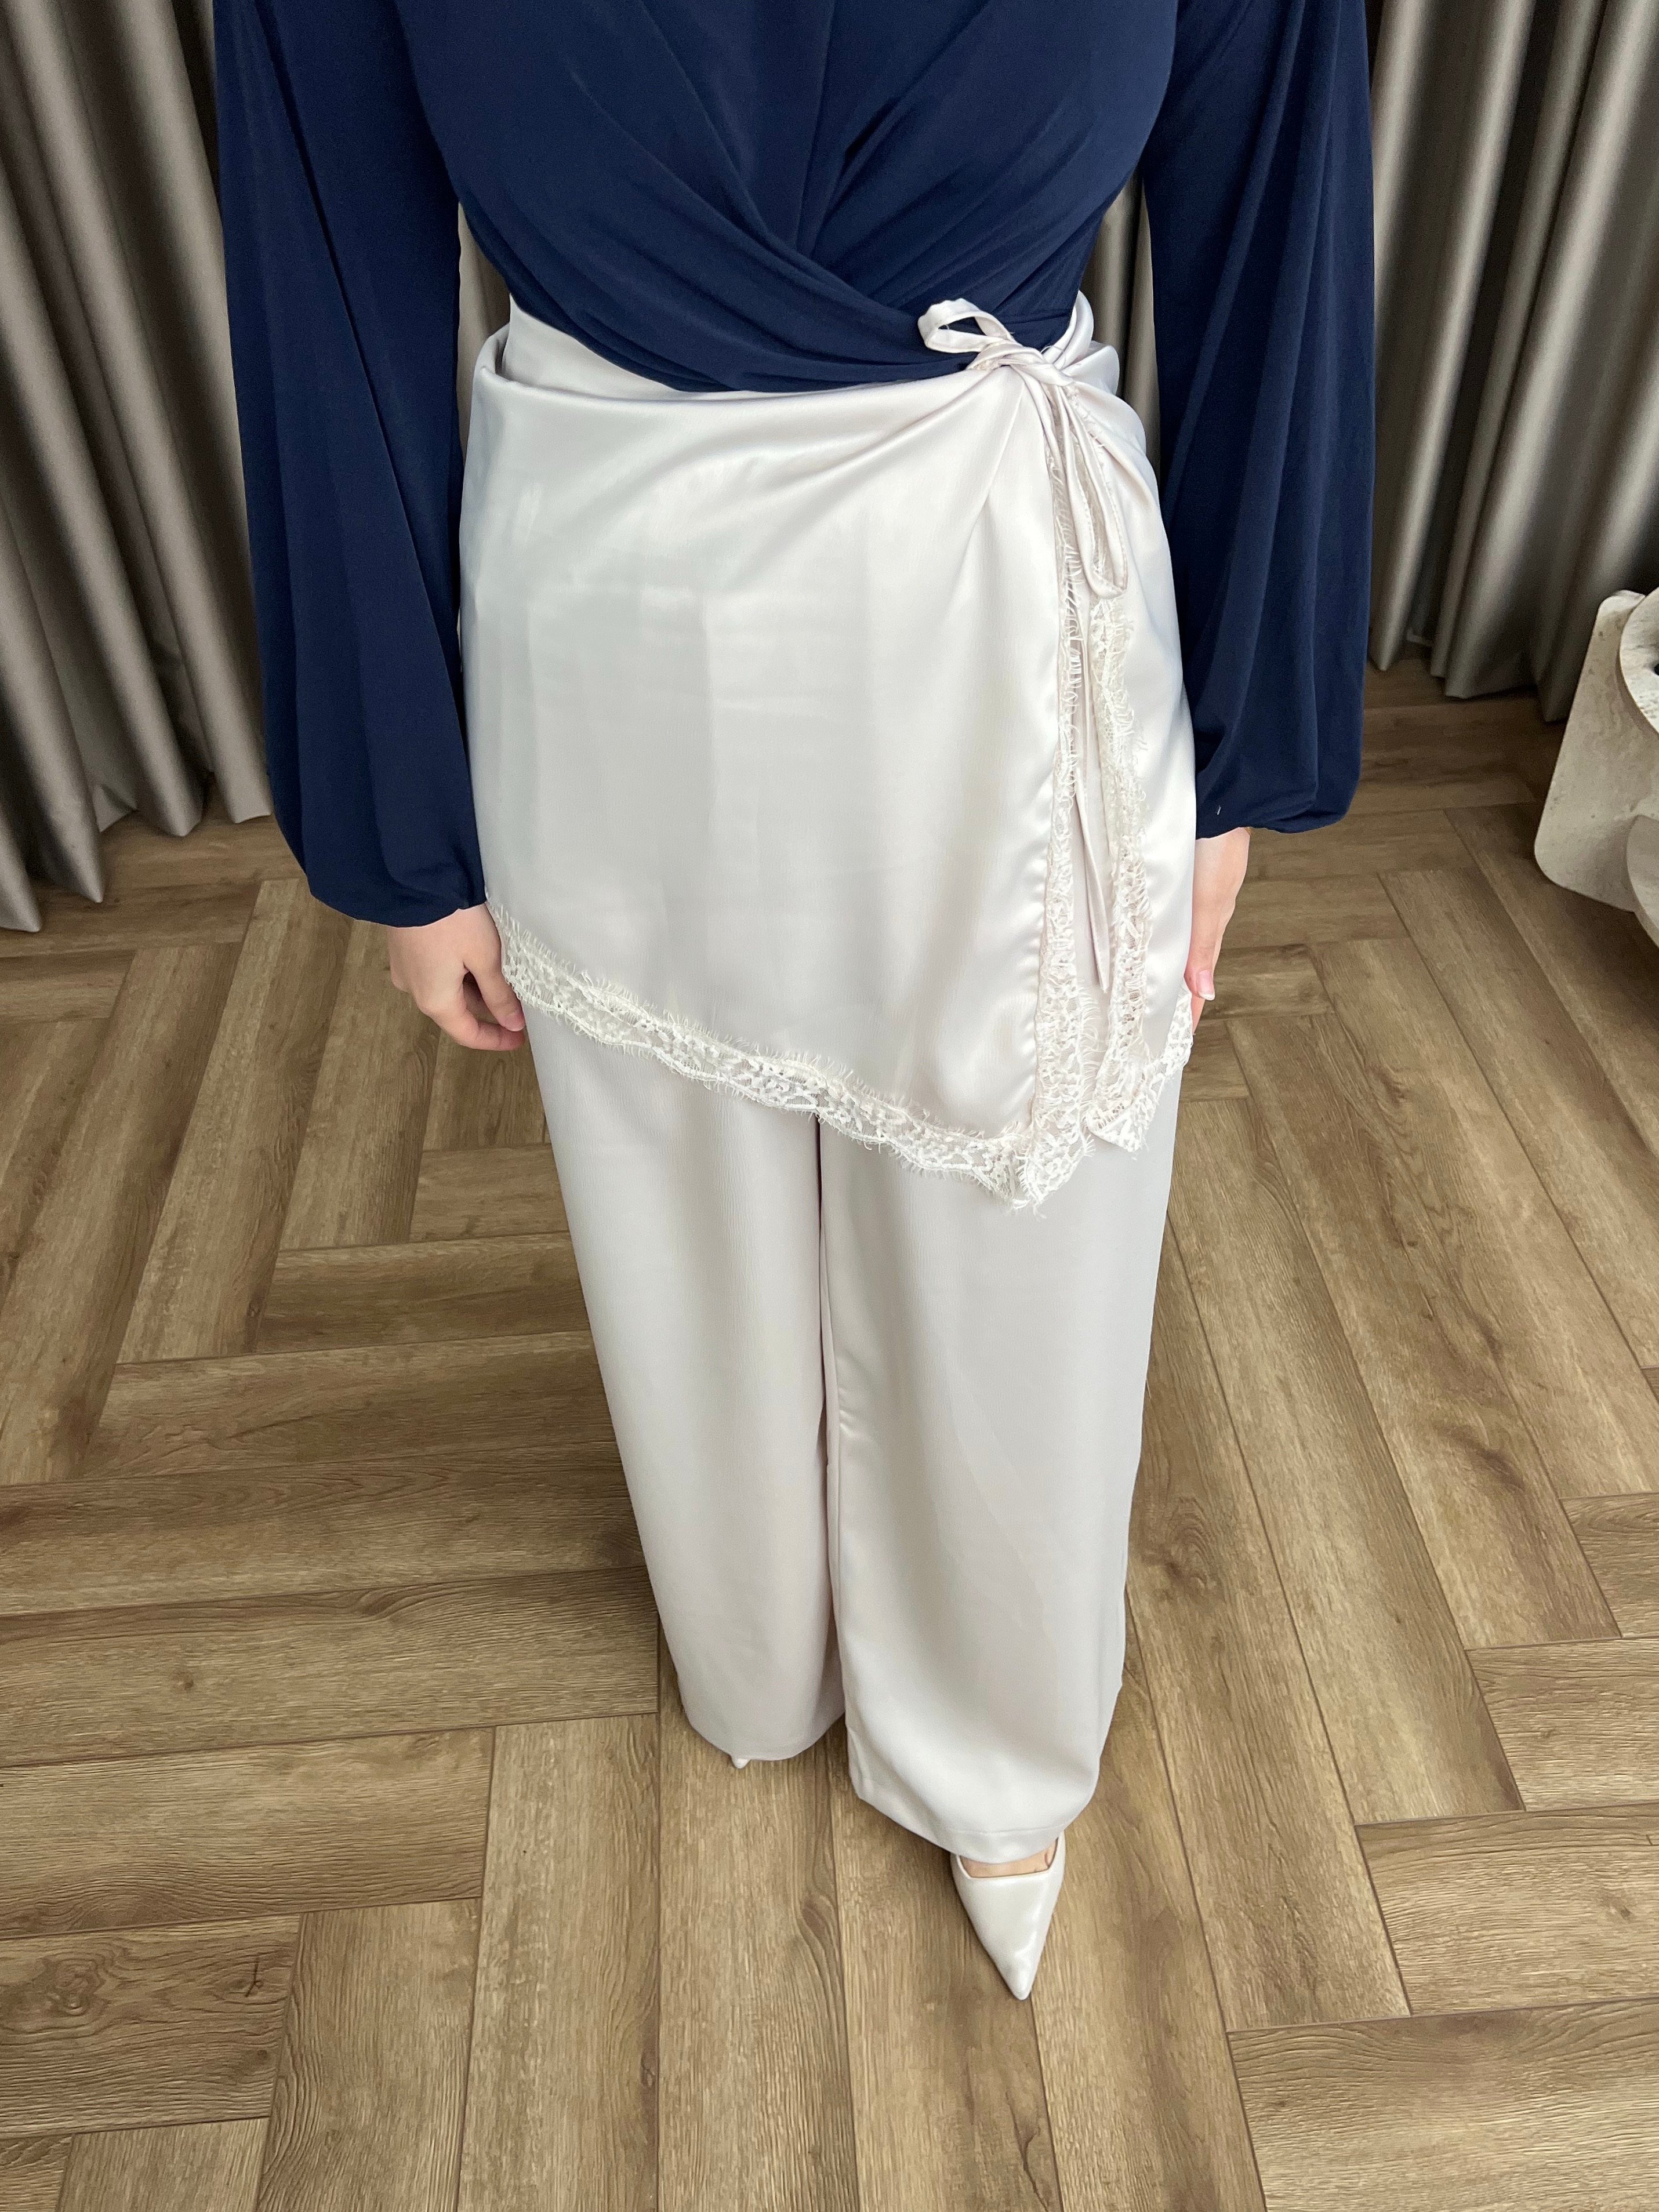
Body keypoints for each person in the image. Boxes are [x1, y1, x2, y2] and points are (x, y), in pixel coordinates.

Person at [216, 0, 1373, 1999]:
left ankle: (998, 1720)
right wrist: (407, 830)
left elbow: (1275, 194)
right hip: (613, 594)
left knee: (1023, 1206)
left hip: (1000, 577)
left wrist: (1242, 748)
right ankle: (756, 1647)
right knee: (676, 1203)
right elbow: (329, 247)